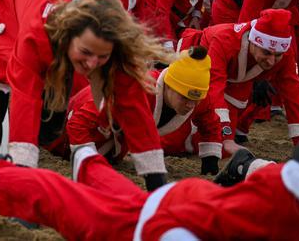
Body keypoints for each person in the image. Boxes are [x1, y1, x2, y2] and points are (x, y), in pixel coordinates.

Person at [0, 63, 299, 240]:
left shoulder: (194, 98)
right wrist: (81, 150)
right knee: (72, 205)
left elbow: (205, 123)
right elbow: (83, 123)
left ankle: (87, 166)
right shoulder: (131, 87)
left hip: (180, 199)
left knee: (115, 194)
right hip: (169, 216)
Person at [0, 0, 170, 188]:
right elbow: (25, 101)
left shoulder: (114, 49)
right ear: (68, 38)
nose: (92, 64)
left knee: (50, 128)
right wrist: (23, 183)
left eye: (102, 56)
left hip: (56, 33)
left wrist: (156, 182)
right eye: (86, 52)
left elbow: (134, 109)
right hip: (5, 7)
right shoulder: (36, 37)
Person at [67, 46, 222, 175]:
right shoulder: (137, 89)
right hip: (76, 124)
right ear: (168, 86)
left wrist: (211, 158)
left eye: (196, 99)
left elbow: (210, 123)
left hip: (115, 145)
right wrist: (87, 160)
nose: (191, 105)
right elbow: (78, 122)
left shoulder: (197, 97)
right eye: (184, 98)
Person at [177, 8, 299, 153]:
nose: (272, 61)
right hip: (194, 66)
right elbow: (214, 86)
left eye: (277, 55)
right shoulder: (225, 40)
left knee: (219, 147)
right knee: (197, 140)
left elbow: (293, 93)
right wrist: (227, 138)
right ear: (253, 42)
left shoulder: (285, 53)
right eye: (266, 52)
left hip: (235, 80)